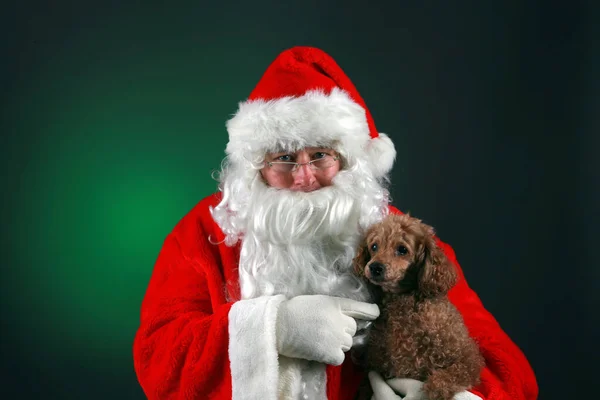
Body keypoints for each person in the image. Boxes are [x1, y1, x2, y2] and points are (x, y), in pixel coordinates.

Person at [133, 46, 538, 400]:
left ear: (348, 160)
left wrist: (448, 396)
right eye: (284, 158)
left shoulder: (393, 236)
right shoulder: (205, 231)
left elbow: (501, 361)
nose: (305, 178)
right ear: (256, 166)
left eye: (321, 155)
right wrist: (273, 329)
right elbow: (157, 358)